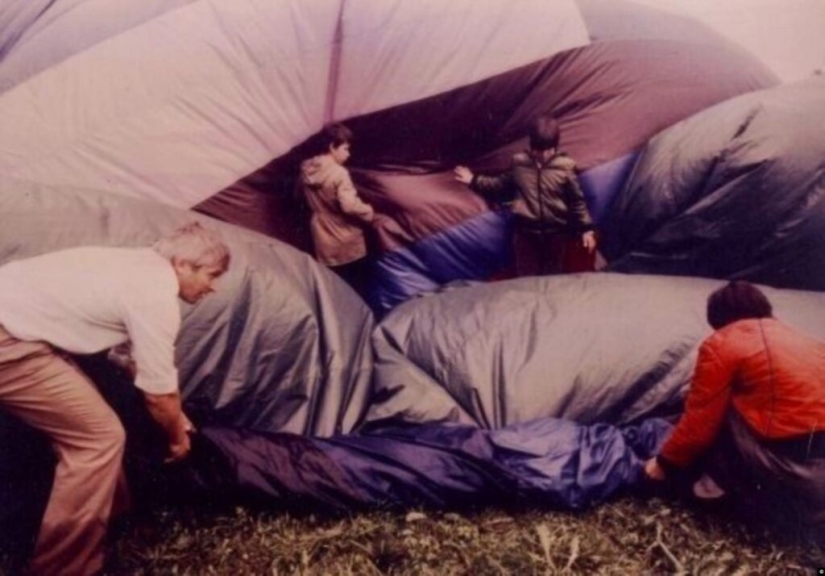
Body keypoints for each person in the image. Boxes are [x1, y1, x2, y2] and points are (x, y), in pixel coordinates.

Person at [0, 222, 230, 575]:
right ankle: (62, 568)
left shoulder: (134, 265)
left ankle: (112, 522)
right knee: (98, 439)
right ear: (184, 265)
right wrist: (177, 438)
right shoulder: (155, 293)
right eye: (212, 275)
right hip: (11, 342)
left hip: (22, 333)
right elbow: (158, 395)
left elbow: (129, 360)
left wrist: (175, 411)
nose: (213, 287)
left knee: (95, 420)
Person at [645, 280, 825, 543]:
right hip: (818, 461)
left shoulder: (723, 342)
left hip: (785, 461)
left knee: (716, 405)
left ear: (719, 319)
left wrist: (663, 464)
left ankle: (712, 488)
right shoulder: (807, 339)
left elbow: (700, 422)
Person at [454, 115, 596, 276]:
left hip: (555, 236)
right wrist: (473, 180)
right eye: (538, 151)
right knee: (526, 281)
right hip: (525, 236)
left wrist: (586, 230)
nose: (543, 156)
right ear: (532, 146)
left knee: (553, 279)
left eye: (548, 151)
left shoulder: (565, 167)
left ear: (554, 147)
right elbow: (499, 185)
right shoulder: (519, 163)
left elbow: (576, 201)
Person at [299, 123, 375, 297]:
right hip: (345, 238)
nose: (348, 154)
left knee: (336, 290)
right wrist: (368, 211)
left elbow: (299, 196)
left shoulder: (305, 170)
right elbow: (348, 206)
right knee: (359, 289)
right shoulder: (339, 173)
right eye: (345, 149)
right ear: (332, 147)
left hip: (321, 237)